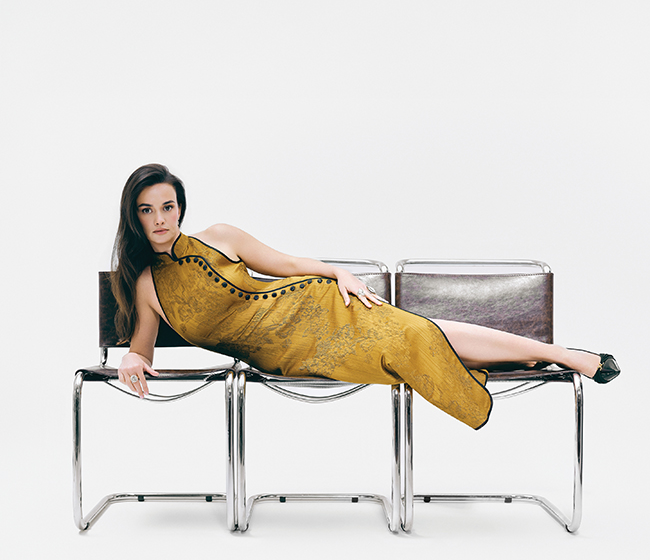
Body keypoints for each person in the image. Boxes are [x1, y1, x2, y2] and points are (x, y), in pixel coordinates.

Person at [113, 164, 620, 430]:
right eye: (146, 210)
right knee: (416, 339)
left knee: (415, 334)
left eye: (167, 206)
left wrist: (338, 273)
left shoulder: (221, 236)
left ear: (181, 208)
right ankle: (536, 356)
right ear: (133, 217)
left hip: (315, 306)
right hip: (287, 354)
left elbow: (287, 265)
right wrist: (133, 359)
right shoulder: (147, 286)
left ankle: (561, 355)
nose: (160, 219)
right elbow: (141, 347)